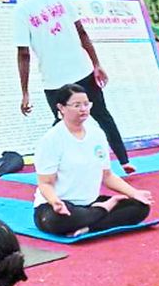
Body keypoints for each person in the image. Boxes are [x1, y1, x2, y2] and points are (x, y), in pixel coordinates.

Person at [7, 0, 132, 173]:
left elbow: (23, 53)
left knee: (62, 122)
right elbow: (81, 31)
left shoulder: (21, 10)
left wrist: (25, 92)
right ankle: (124, 160)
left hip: (54, 79)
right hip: (82, 70)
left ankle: (52, 165)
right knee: (102, 114)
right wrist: (96, 63)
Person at [32, 83, 152, 237]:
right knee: (58, 220)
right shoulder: (51, 139)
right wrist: (55, 202)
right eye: (77, 105)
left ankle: (89, 226)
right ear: (61, 108)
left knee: (140, 207)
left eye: (86, 104)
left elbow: (107, 176)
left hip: (89, 204)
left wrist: (134, 193)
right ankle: (103, 209)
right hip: (58, 205)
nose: (83, 109)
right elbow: (45, 183)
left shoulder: (97, 134)